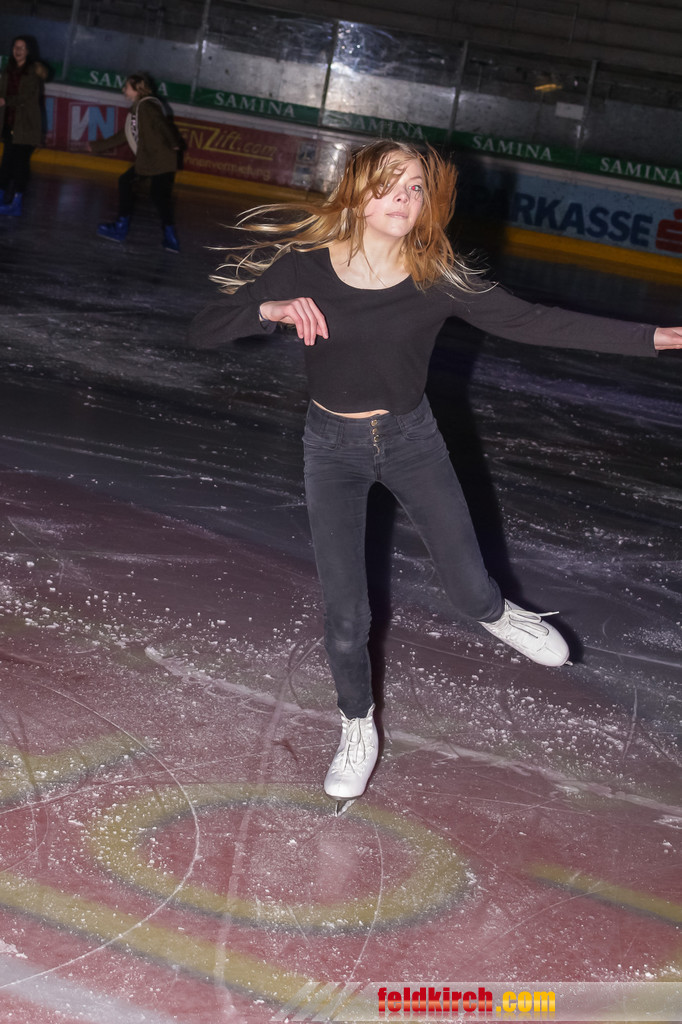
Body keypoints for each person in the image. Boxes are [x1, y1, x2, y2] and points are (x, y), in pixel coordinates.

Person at [186, 139, 682, 810]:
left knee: (471, 591)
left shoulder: (435, 276)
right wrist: (265, 311)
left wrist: (658, 337)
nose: (404, 196)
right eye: (390, 182)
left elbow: (535, 322)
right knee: (345, 615)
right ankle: (356, 726)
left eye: (416, 187)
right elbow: (204, 327)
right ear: (357, 192)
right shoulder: (304, 267)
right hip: (330, 450)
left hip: (412, 443)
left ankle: (498, 613)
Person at [90, 72, 180, 253]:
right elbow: (123, 135)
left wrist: (174, 142)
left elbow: (161, 123)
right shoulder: (138, 108)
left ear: (137, 89)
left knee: (130, 184)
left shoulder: (146, 106)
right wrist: (96, 146)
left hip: (158, 158)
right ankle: (169, 237)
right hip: (155, 158)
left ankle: (122, 227)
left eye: (127, 87)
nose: (123, 89)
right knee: (156, 195)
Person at [0, 35, 48, 217]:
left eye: (21, 47)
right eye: (15, 47)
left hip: (26, 125)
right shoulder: (8, 69)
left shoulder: (33, 71)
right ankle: (2, 197)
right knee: (6, 163)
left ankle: (16, 203)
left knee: (20, 164)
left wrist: (5, 100)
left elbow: (26, 96)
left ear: (28, 51)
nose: (17, 50)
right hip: (9, 122)